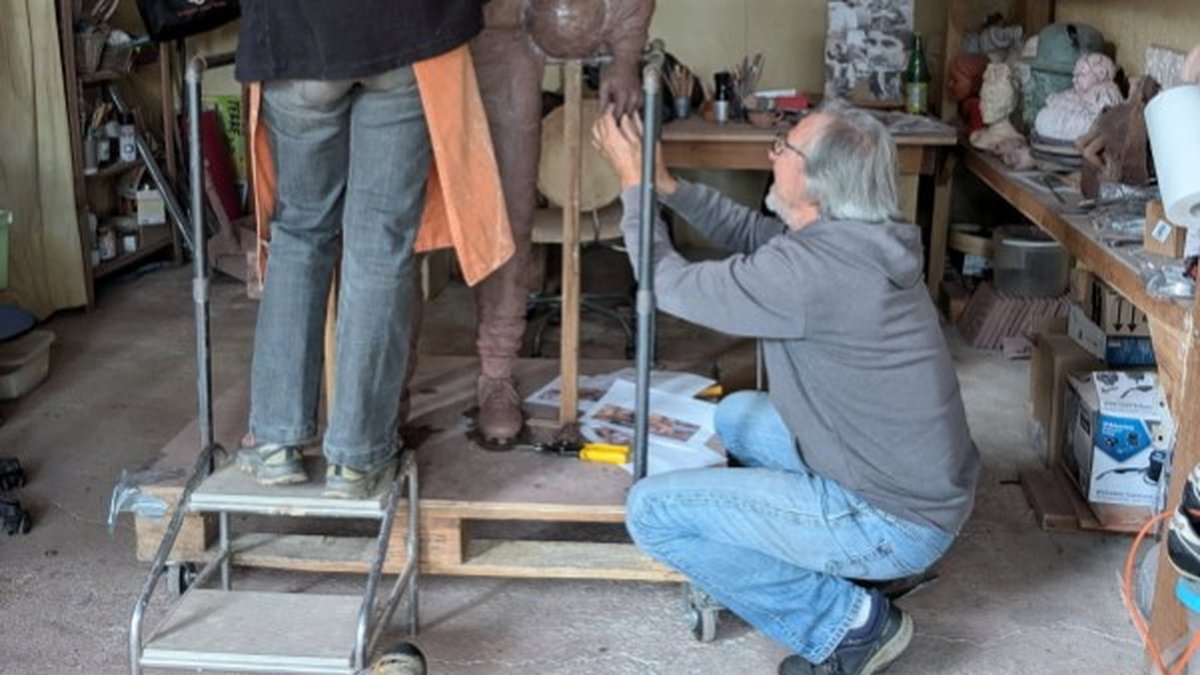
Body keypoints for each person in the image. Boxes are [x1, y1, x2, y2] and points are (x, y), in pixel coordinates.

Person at [592, 104, 980, 675]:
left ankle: (847, 625)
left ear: (818, 185)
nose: (772, 153)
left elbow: (666, 283)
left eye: (785, 147)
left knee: (652, 512)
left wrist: (630, 184)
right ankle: (845, 565)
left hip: (891, 518)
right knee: (738, 416)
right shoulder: (861, 238)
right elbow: (756, 234)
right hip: (904, 484)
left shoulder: (813, 276)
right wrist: (665, 185)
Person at [233, 1, 488, 498]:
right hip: (408, 33)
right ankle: (357, 458)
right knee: (379, 245)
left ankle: (275, 443)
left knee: (300, 234)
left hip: (297, 37)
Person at [467, 0, 655, 446]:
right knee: (401, 226)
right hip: (415, 38)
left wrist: (625, 56)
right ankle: (387, 384)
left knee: (509, 216)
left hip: (508, 37)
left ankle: (496, 371)